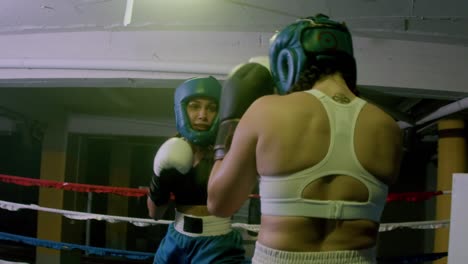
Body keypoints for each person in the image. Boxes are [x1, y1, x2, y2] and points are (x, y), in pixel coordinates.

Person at [207, 14, 403, 264]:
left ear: (287, 62)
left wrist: (228, 125)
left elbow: (219, 204)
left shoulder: (266, 111)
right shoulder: (388, 127)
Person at [146, 76, 246, 264]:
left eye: (211, 108)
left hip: (217, 243)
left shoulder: (228, 151)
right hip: (176, 239)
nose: (202, 115)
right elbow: (155, 214)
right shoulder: (171, 149)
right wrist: (159, 178)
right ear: (182, 109)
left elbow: (235, 204)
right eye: (194, 106)